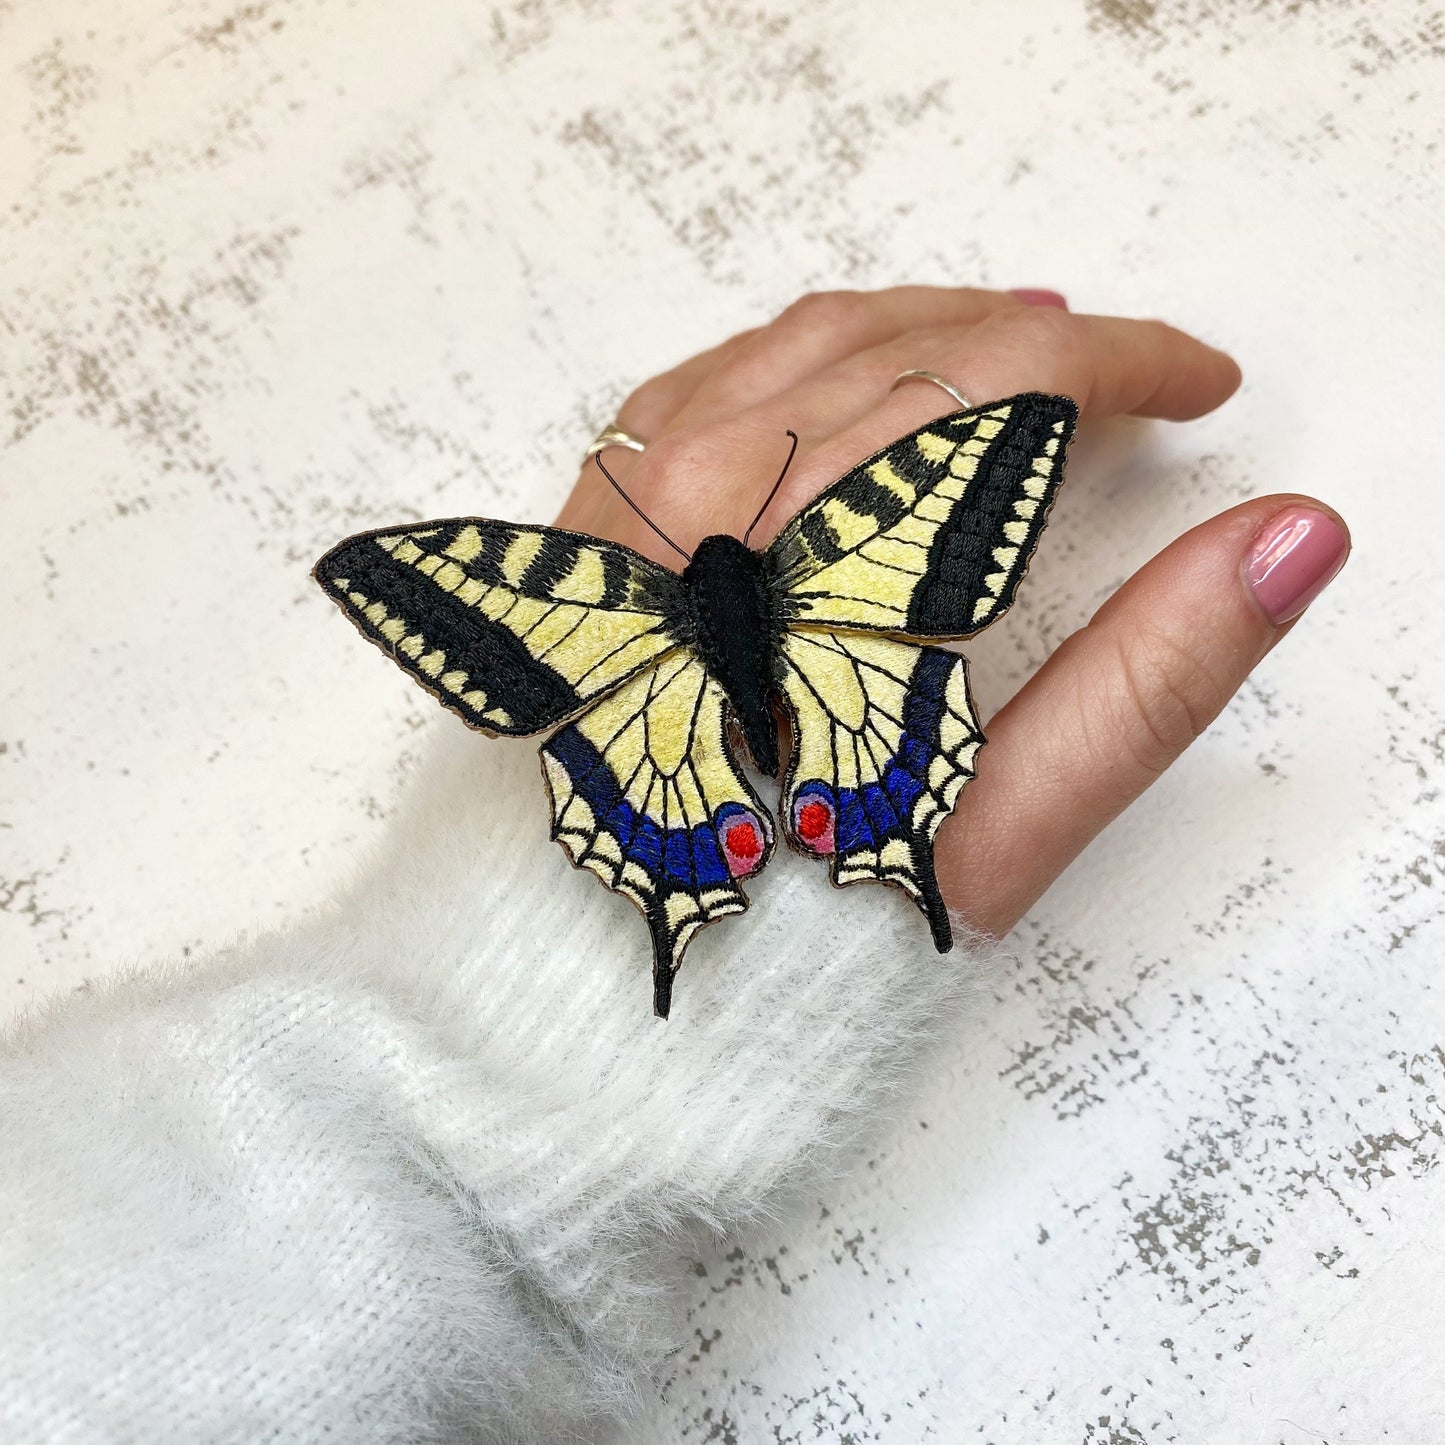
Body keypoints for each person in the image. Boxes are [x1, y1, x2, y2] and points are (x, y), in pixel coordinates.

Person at [0, 286, 1349, 1443]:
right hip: (837, 667)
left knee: (687, 769)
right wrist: (447, 1132)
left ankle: (728, 860)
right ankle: (785, 845)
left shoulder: (585, 603)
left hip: (653, 720)